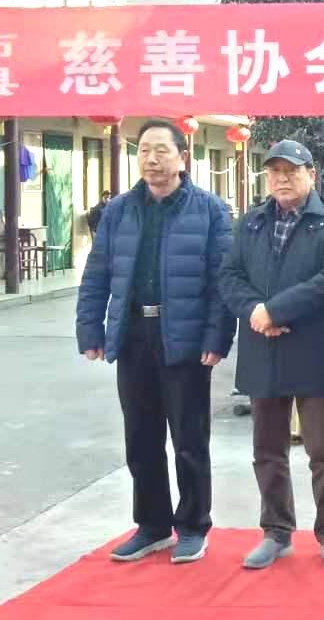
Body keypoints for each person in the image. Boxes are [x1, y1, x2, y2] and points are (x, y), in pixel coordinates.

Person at [75, 120, 236, 564]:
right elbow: (97, 273)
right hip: (133, 335)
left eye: (161, 150)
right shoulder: (120, 210)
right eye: (144, 150)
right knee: (140, 437)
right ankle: (152, 525)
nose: (151, 159)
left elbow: (222, 281)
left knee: (189, 438)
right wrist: (90, 329)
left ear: (182, 157)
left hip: (184, 337)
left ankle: (193, 526)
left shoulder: (209, 210)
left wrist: (217, 336)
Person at [219, 140, 324, 572]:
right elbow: (229, 275)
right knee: (267, 449)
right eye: (274, 171)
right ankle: (276, 532)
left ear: (310, 175)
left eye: (291, 171)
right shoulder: (251, 224)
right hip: (263, 348)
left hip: (312, 349)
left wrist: (276, 311)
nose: (281, 179)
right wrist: (256, 312)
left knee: (323, 451)